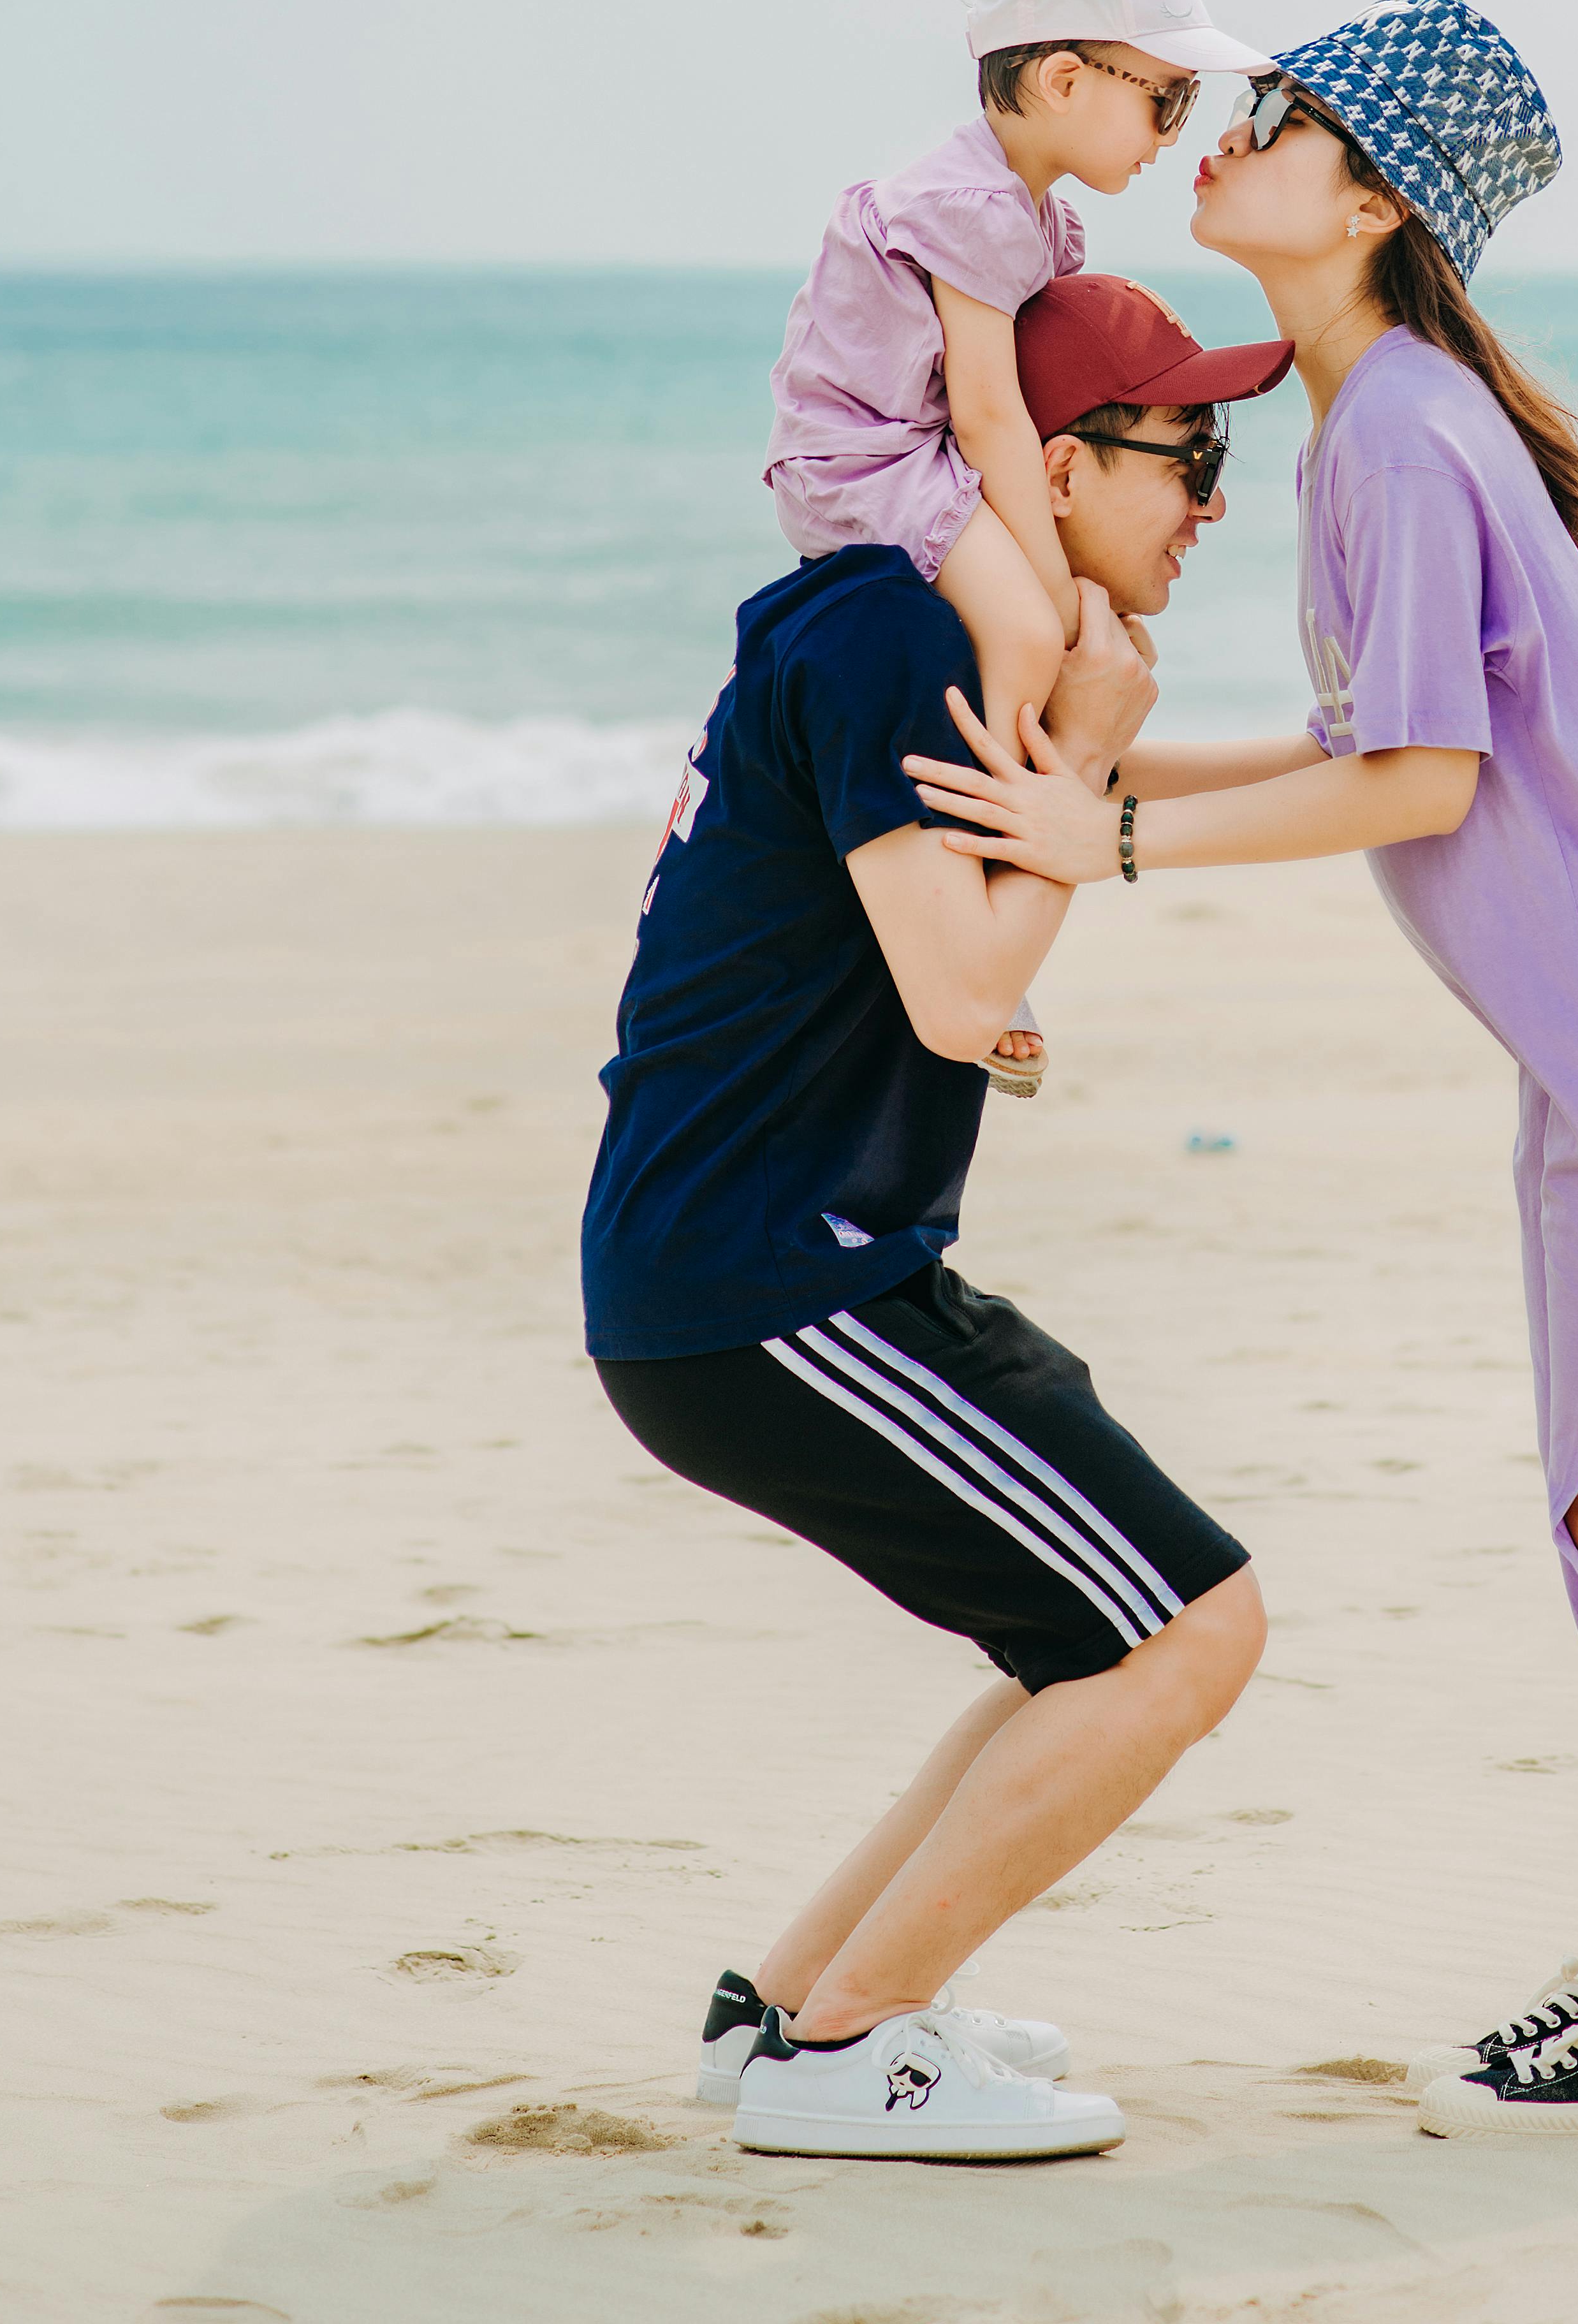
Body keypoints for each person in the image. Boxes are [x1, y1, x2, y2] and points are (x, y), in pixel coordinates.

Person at [906, 0, 1578, 2145]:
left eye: (1285, 116)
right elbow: (1361, 751)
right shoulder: (1376, 421)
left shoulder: (1403, 428)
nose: (1226, 130)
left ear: (1374, 196)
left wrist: (1104, 836)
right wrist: (1106, 767)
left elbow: (1419, 779)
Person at [585, 270, 1293, 2164]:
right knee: (1185, 1635)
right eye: (1190, 456)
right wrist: (1077, 761)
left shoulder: (899, 631)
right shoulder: (892, 638)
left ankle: (793, 2014)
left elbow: (1098, 794)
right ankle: (853, 2047)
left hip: (769, 1275)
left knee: (1097, 1634)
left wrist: (1386, 760)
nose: (1216, 503)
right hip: (768, 1288)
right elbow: (969, 999)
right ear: (1058, 466)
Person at [763, 0, 1267, 761]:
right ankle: (1010, 796)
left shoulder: (1020, 210)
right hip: (868, 464)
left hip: (906, 456)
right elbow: (991, 414)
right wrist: (1065, 607)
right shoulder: (978, 208)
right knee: (1032, 638)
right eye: (1169, 102)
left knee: (1028, 620)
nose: (1173, 137)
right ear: (1065, 81)